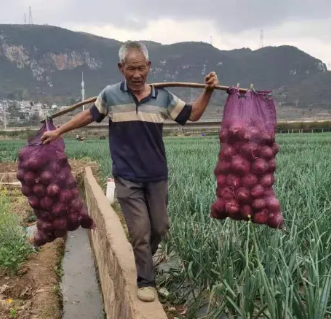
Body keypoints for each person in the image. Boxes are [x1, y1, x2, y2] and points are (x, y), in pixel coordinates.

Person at [41, 40, 218, 302]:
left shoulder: (163, 97)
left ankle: (143, 257)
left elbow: (193, 116)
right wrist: (58, 131)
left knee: (159, 227)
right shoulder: (110, 95)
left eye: (141, 68)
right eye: (130, 69)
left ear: (149, 67)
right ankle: (145, 280)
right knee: (139, 231)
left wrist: (208, 91)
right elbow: (89, 116)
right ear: (120, 68)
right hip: (127, 177)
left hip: (157, 176)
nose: (136, 75)